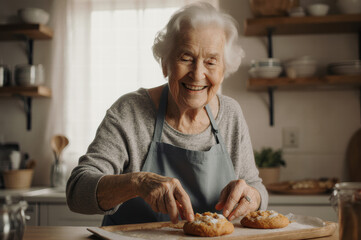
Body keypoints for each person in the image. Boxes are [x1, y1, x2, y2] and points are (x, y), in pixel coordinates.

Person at [66, 2, 268, 226]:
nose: (198, 74)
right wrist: (137, 182)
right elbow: (77, 191)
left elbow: (255, 187)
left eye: (211, 61)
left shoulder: (231, 114)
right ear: (165, 64)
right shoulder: (130, 111)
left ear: (224, 70)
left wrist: (252, 196)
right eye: (186, 57)